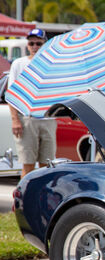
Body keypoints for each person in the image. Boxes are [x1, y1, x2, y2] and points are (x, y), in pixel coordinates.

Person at [8, 28, 56, 178]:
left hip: (48, 118)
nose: (34, 46)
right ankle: (23, 200)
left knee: (47, 165)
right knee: (28, 166)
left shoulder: (52, 65)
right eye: (31, 43)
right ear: (28, 45)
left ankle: (43, 199)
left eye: (38, 43)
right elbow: (12, 93)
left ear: (44, 44)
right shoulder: (19, 64)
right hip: (27, 119)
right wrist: (15, 120)